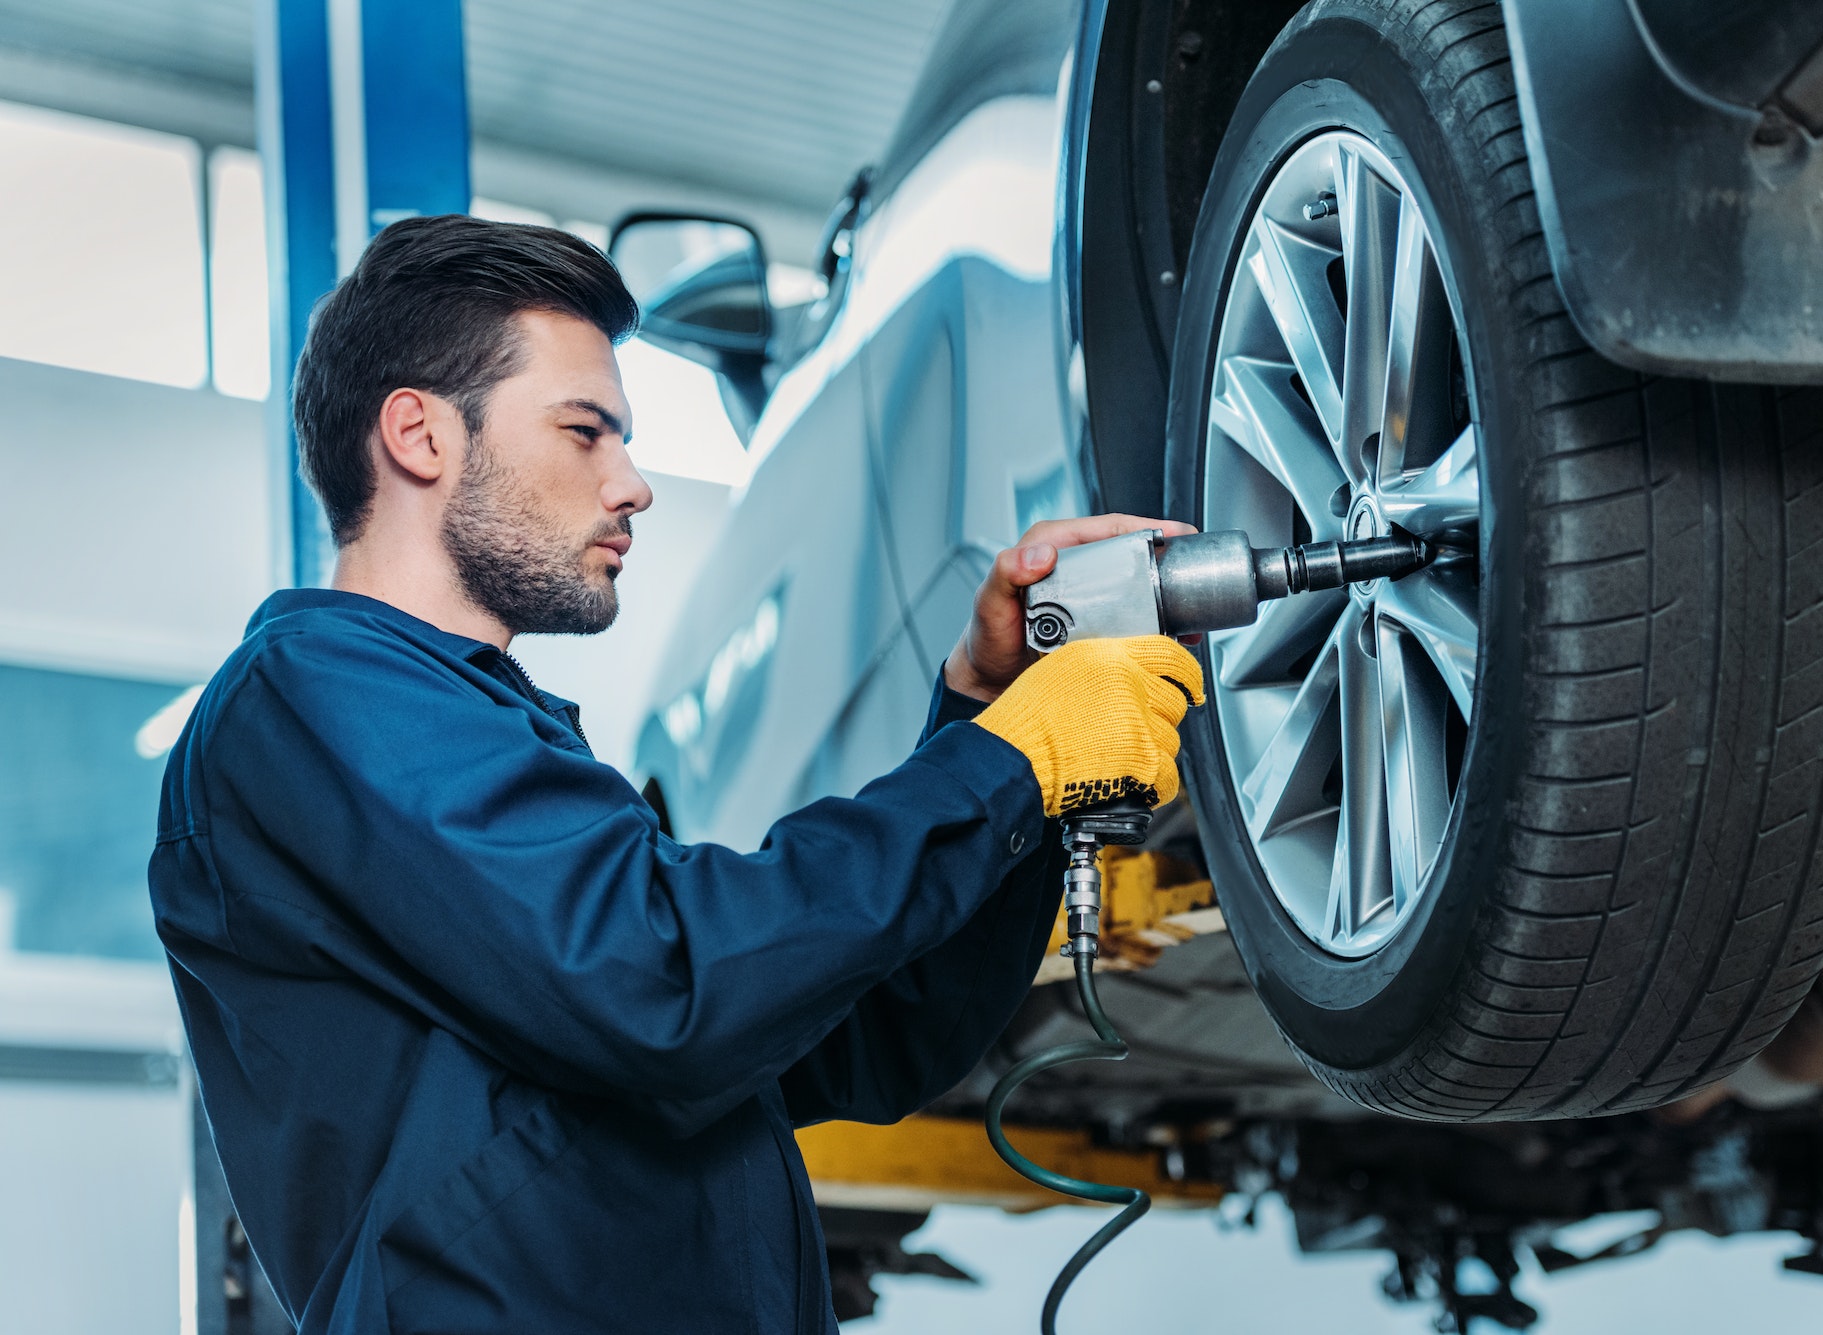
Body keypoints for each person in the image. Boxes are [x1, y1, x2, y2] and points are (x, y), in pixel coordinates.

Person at [150, 213, 1204, 1334]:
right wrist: (1004, 762)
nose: (634, 484)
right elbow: (665, 982)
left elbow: (878, 1038)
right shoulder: (314, 693)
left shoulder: (500, 745)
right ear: (417, 434)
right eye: (584, 431)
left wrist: (983, 718)